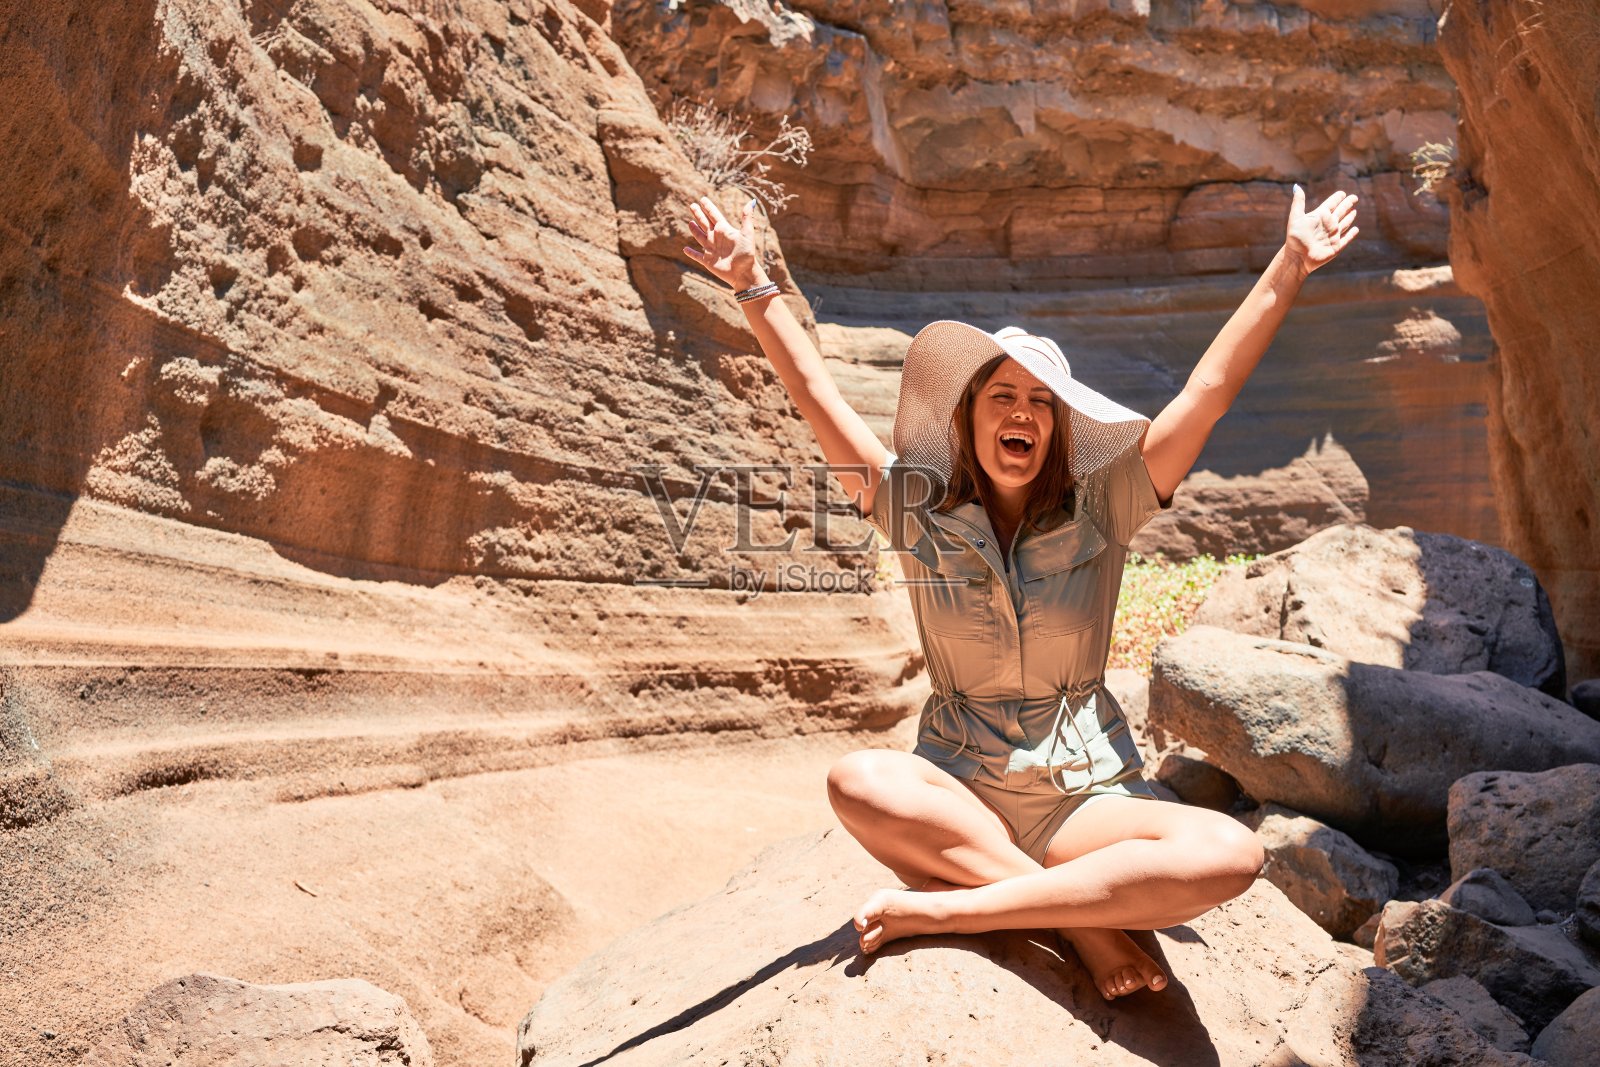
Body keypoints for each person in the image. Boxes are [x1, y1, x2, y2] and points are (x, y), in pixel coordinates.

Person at [683, 185, 1359, 1000]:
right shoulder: (913, 510)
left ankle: (959, 906)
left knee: (1232, 853)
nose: (1023, 413)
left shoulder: (1107, 506)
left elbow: (1206, 393)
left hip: (1084, 801)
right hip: (962, 789)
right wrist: (752, 284)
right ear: (968, 417)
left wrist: (1291, 262)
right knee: (857, 780)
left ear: (1059, 429)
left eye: (1041, 402)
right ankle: (1084, 925)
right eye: (1002, 396)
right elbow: (819, 397)